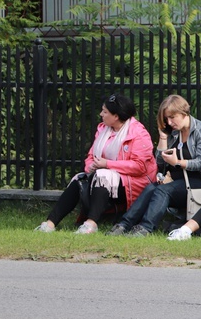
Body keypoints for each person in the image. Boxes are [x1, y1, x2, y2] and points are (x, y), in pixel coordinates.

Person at [35, 94, 157, 234]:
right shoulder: (103, 129)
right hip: (104, 175)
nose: (101, 114)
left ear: (116, 116)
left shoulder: (139, 134)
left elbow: (139, 167)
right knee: (79, 179)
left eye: (105, 112)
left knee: (102, 176)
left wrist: (107, 164)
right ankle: (50, 223)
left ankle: (91, 224)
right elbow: (91, 155)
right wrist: (90, 166)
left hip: (133, 182)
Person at [109, 94, 201, 236]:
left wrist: (178, 163)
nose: (169, 122)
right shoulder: (175, 133)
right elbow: (160, 163)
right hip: (180, 182)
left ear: (183, 112)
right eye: (166, 119)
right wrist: (163, 138)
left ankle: (145, 228)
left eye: (172, 117)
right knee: (151, 188)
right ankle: (124, 225)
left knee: (164, 190)